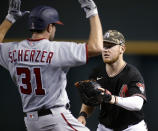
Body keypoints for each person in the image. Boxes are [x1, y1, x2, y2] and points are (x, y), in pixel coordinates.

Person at [0, 0, 103, 131]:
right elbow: (97, 47)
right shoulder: (55, 49)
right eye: (54, 25)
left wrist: (10, 18)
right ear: (49, 27)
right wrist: (92, 11)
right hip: (56, 119)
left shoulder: (12, 50)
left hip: (31, 122)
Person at [77, 30, 148, 131]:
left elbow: (138, 104)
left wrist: (112, 99)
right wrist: (83, 115)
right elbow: (89, 99)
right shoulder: (97, 72)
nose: (106, 50)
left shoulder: (132, 74)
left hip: (132, 127)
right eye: (104, 46)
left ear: (122, 49)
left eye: (110, 46)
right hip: (105, 127)